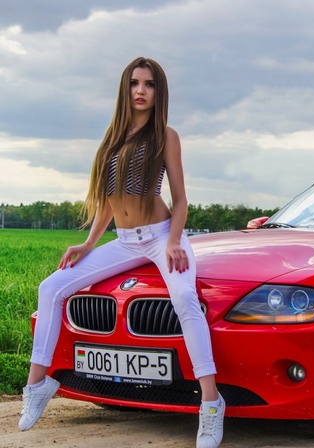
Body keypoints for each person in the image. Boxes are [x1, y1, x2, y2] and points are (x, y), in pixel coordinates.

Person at [19, 57, 224, 448]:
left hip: (161, 235)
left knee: (184, 298)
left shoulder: (166, 135)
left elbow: (180, 200)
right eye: (134, 83)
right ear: (125, 89)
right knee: (51, 288)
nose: (141, 90)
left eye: (148, 84)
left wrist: (175, 240)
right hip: (126, 240)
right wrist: (89, 243)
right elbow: (108, 203)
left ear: (158, 92)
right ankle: (38, 384)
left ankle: (211, 403)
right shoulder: (112, 138)